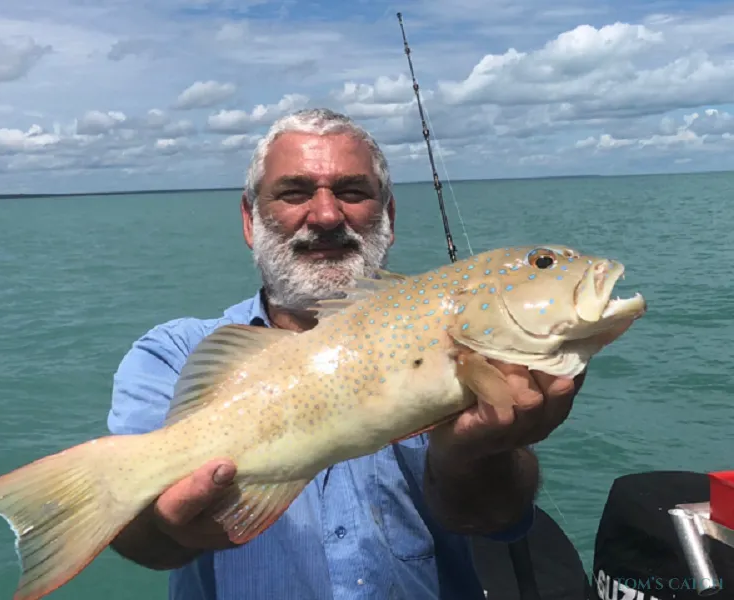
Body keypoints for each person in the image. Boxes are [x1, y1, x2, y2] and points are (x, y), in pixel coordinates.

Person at [105, 107, 586, 599]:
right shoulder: (174, 354)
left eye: (352, 192)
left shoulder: (458, 340)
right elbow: (136, 536)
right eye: (294, 192)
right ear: (250, 220)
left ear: (389, 218)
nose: (327, 215)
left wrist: (474, 453)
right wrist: (163, 527)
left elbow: (496, 519)